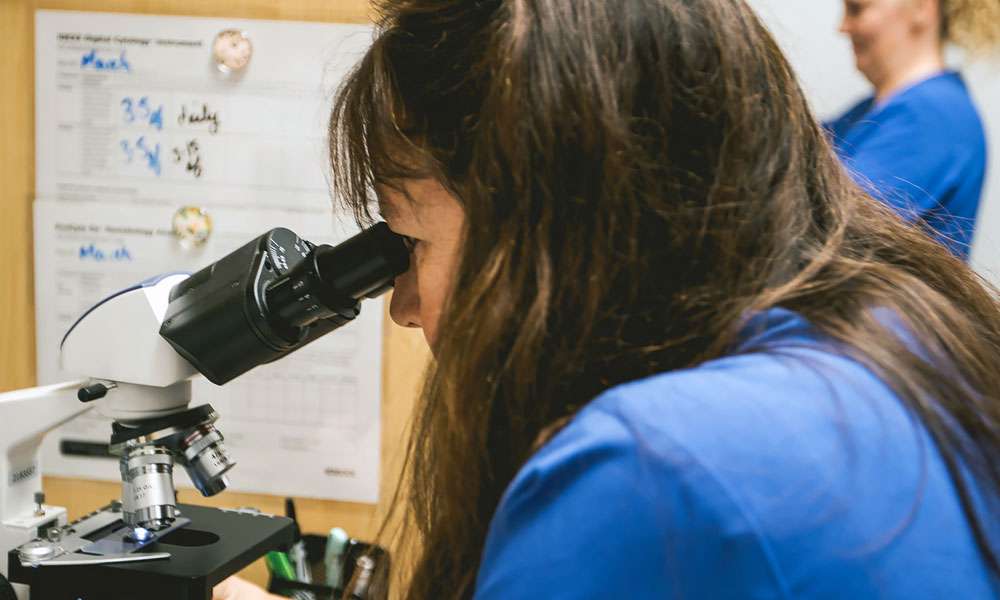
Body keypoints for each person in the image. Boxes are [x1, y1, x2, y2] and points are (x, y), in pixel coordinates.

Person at [216, 0, 1000, 598]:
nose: (405, 306)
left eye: (409, 241)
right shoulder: (902, 337)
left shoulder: (651, 466)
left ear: (554, 221)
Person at [826, 0, 1000, 260]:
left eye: (857, 9)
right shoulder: (871, 111)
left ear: (921, 7)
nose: (843, 27)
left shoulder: (934, 116)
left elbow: (821, 230)